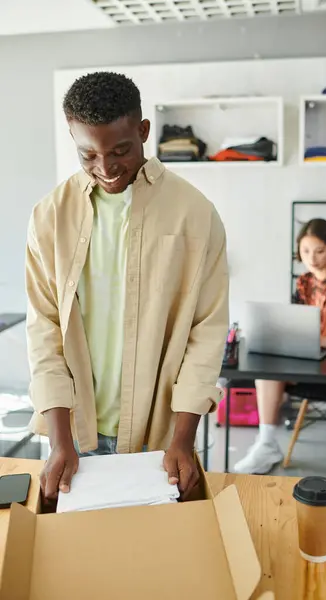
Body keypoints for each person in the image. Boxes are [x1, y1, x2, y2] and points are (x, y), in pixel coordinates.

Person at [26, 72, 229, 501]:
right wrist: (60, 438)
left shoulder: (194, 213)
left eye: (120, 150)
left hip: (160, 435)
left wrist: (183, 438)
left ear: (143, 131)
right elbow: (44, 329)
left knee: (154, 559)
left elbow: (206, 331)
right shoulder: (49, 217)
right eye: (88, 155)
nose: (106, 167)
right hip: (75, 432)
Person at [234, 218, 326, 475]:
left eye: (319, 251)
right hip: (309, 355)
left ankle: (266, 444)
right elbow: (296, 321)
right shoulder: (304, 282)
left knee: (270, 376)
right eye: (306, 251)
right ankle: (266, 444)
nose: (312, 258)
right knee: (267, 371)